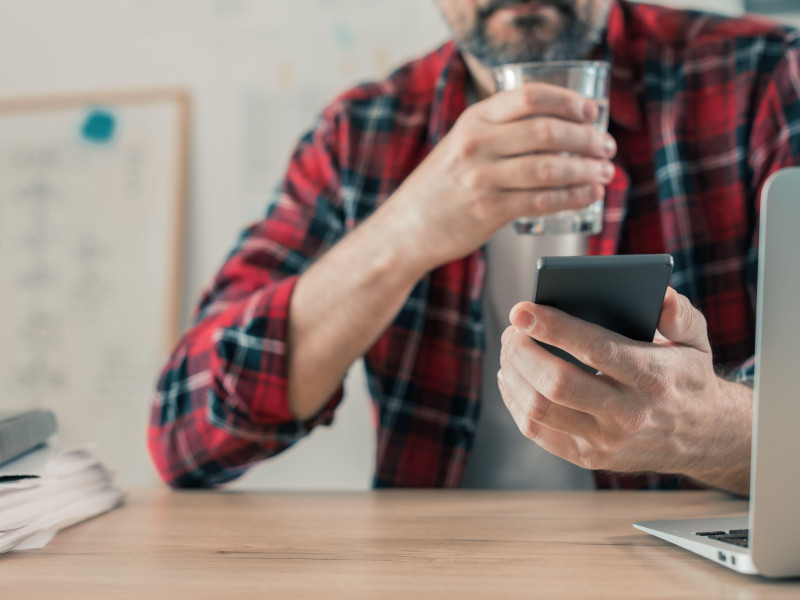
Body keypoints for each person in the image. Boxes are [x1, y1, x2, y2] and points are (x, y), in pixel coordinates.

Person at [148, 0, 800, 495]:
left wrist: (706, 428)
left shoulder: (765, 77)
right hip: (441, 570)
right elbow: (186, 432)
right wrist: (405, 232)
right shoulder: (361, 134)